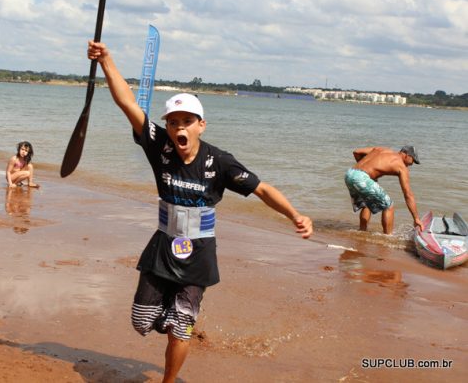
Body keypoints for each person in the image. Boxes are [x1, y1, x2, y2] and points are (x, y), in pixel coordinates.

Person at [88, 41, 313, 383]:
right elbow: (126, 103)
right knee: (141, 321)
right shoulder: (159, 145)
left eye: (187, 121)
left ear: (201, 125)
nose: (180, 127)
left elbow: (263, 189)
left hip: (199, 255)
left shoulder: (219, 161)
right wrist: (107, 60)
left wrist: (295, 215)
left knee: (181, 329)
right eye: (174, 121)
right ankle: (177, 316)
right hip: (163, 247)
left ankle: (174, 358)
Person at [344, 145, 423, 234]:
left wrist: (364, 171)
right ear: (407, 155)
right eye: (413, 161)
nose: (411, 164)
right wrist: (416, 218)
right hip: (361, 178)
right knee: (389, 205)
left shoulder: (383, 149)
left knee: (367, 203)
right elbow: (408, 194)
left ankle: (362, 231)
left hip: (350, 174)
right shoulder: (401, 166)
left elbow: (357, 151)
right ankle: (388, 237)